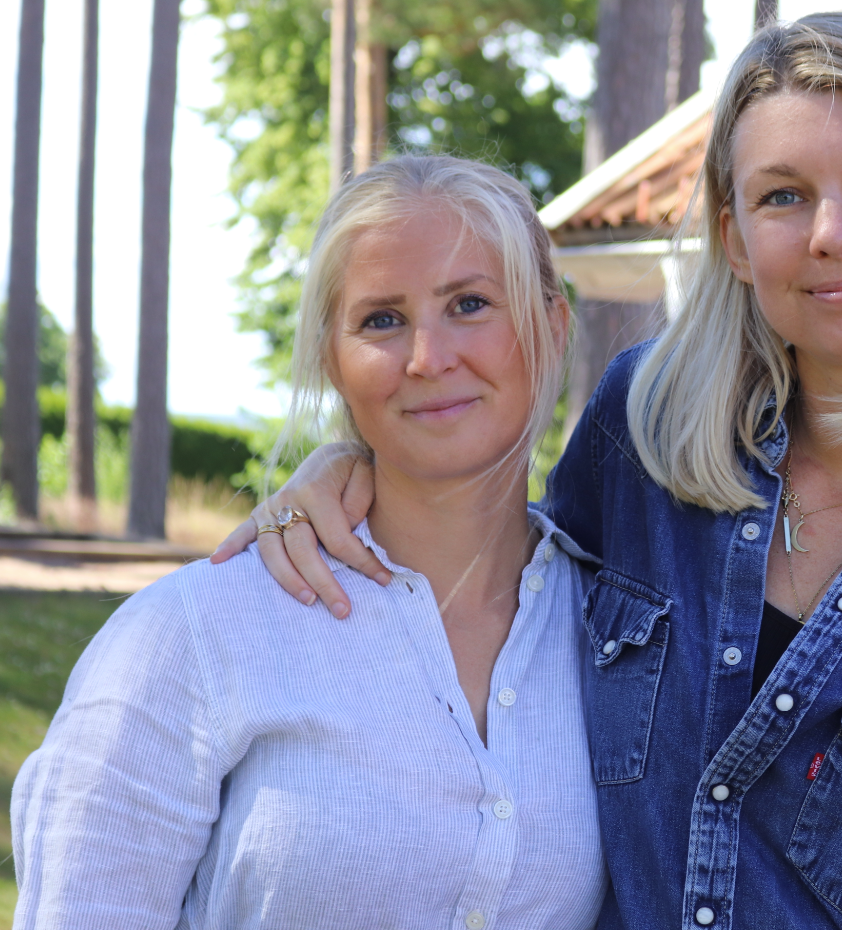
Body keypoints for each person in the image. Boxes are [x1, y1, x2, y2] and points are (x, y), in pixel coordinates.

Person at [214, 13, 842, 929]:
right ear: (733, 237)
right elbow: (498, 589)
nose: (830, 231)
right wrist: (354, 468)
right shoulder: (644, 435)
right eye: (781, 195)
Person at [11, 156, 606, 929]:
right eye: (381, 320)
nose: (427, 358)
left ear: (551, 326)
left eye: (469, 304)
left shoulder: (620, 638)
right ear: (331, 358)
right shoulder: (195, 633)